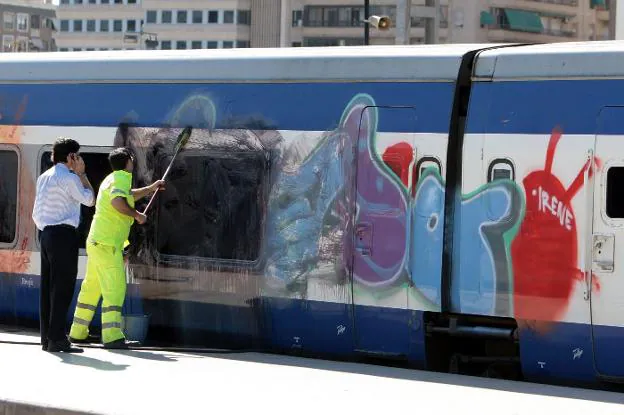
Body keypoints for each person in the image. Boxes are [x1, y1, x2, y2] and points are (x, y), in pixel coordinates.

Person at [69, 147, 164, 349]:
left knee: (91, 289)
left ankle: (77, 332)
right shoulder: (122, 176)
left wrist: (151, 188)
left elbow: (127, 195)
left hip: (97, 242)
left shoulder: (111, 178)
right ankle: (112, 336)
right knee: (115, 289)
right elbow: (118, 202)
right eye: (132, 159)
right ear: (128, 161)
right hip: (108, 244)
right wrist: (137, 215)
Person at [32, 137, 95, 353]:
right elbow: (89, 200)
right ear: (71, 157)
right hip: (63, 236)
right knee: (63, 288)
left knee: (48, 288)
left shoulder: (44, 177)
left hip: (45, 234)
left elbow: (36, 212)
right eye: (77, 156)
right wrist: (82, 174)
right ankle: (58, 338)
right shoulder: (69, 178)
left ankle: (47, 339)